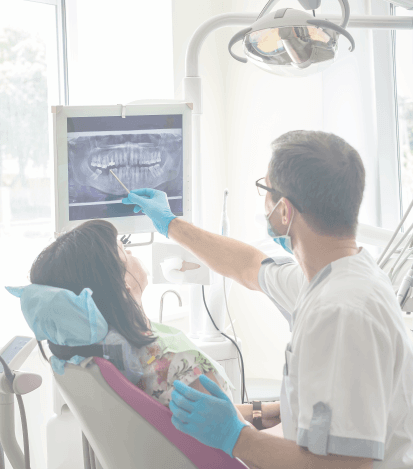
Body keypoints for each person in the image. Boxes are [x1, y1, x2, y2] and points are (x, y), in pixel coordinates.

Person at [122, 130, 413, 469]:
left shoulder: (340, 311)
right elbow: (247, 265)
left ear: (284, 211)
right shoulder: (336, 275)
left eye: (265, 189)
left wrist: (237, 437)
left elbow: (345, 465)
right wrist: (171, 225)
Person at [29, 219, 282, 429]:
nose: (131, 252)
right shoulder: (175, 363)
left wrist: (266, 411)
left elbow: (199, 414)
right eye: (123, 250)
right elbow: (245, 444)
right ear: (122, 285)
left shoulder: (119, 358)